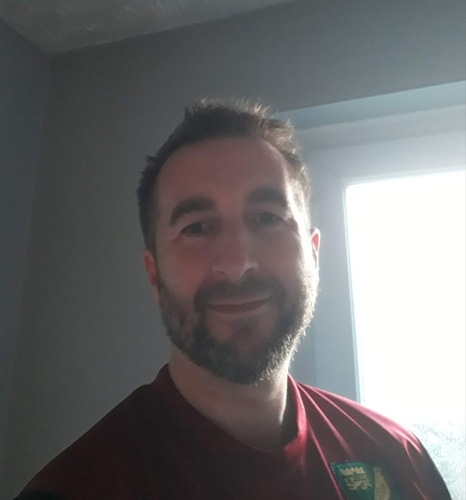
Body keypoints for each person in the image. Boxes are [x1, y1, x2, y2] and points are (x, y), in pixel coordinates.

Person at [15, 100, 451, 500]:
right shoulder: (76, 488)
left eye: (268, 218)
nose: (238, 263)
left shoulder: (399, 457)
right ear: (155, 273)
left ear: (314, 254)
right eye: (197, 228)